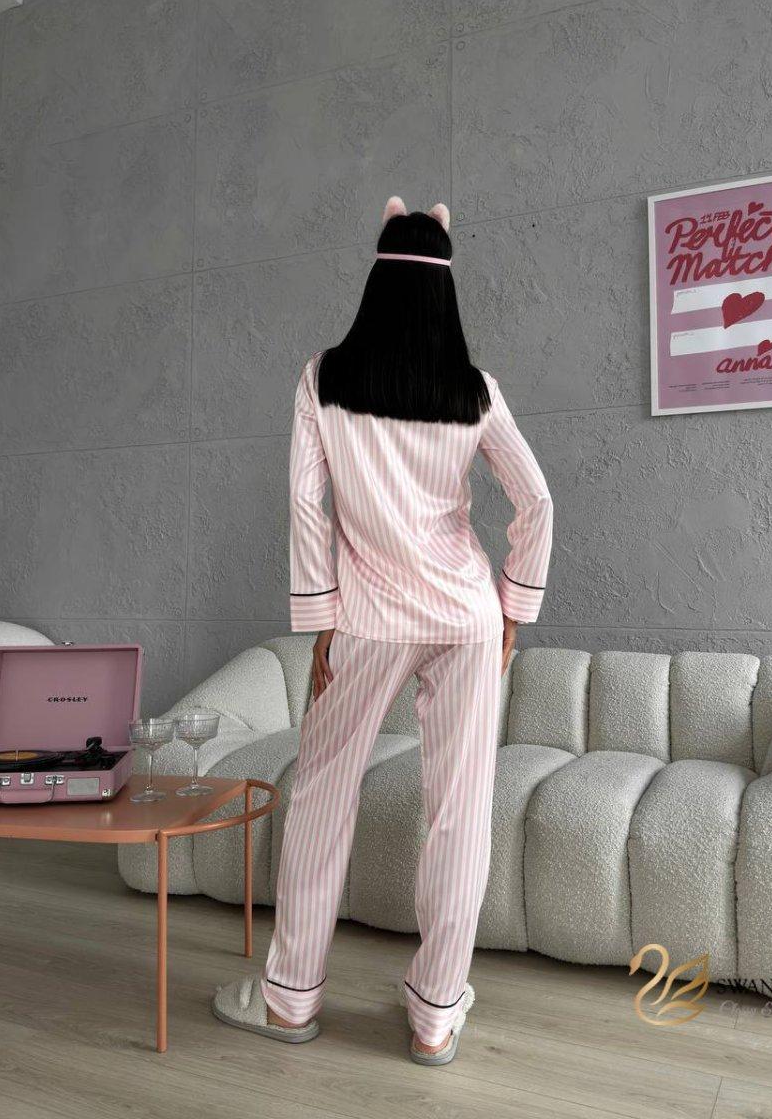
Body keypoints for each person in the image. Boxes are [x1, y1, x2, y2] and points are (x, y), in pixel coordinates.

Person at [212, 195, 553, 1065]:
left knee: (322, 796)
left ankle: (289, 999)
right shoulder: (474, 392)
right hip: (467, 619)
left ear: (376, 277)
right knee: (461, 812)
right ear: (446, 285)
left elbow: (304, 503)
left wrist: (320, 618)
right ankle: (435, 1015)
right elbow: (538, 501)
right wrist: (514, 608)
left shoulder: (322, 379)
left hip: (366, 618)